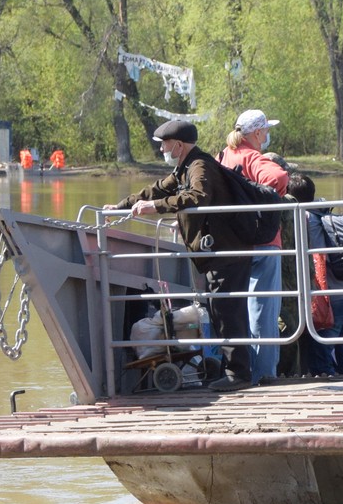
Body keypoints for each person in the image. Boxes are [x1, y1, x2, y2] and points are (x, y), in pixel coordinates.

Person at [106, 119, 254, 390]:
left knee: (228, 312)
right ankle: (230, 369)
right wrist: (122, 206)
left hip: (228, 253)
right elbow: (158, 188)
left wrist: (156, 207)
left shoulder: (200, 166)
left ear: (178, 145)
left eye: (164, 144)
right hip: (218, 253)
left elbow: (199, 196)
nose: (162, 149)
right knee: (220, 311)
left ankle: (239, 375)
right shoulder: (184, 167)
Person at [228, 108, 290, 384]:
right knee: (264, 312)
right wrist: (261, 199)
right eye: (265, 130)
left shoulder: (223, 157)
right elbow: (278, 179)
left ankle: (242, 373)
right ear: (256, 133)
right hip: (263, 243)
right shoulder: (252, 157)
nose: (267, 135)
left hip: (232, 244)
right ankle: (264, 376)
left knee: (237, 311)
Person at [288, 172, 343, 376]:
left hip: (332, 301)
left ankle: (329, 395)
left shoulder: (303, 217)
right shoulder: (325, 212)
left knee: (321, 362)